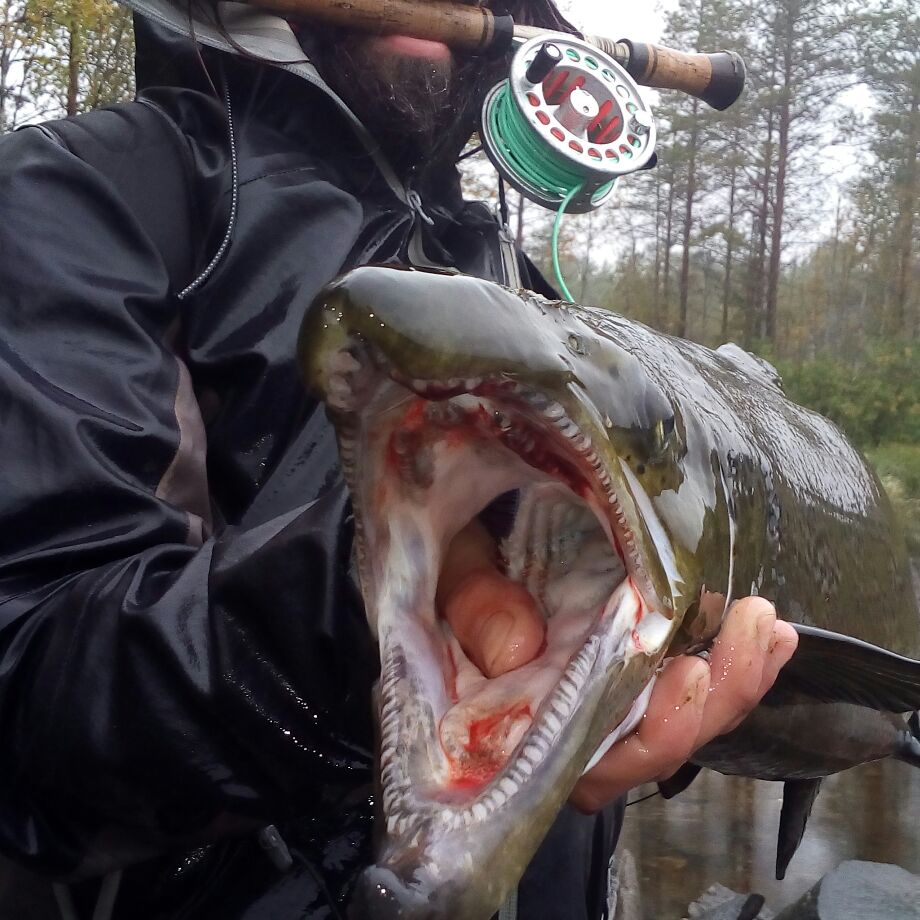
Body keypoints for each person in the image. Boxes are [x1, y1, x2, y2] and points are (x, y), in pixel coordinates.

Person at [0, 0, 798, 916]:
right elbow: (26, 700)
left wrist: (634, 676)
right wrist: (385, 592)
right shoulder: (79, 190)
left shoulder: (504, 267)